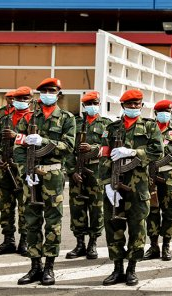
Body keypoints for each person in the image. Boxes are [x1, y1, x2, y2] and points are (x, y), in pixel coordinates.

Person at [14, 78, 76, 286]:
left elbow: (68, 146)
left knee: (53, 221)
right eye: (45, 91)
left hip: (53, 175)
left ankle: (49, 266)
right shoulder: (29, 119)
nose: (48, 93)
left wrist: (44, 141)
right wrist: (25, 171)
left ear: (58, 94)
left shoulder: (67, 118)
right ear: (39, 94)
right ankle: (35, 266)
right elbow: (18, 148)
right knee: (30, 220)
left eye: (52, 90)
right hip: (31, 175)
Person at [99, 89, 163, 286]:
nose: (134, 107)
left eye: (137, 104)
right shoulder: (111, 128)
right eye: (130, 104)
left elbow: (157, 151)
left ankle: (132, 268)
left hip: (138, 186)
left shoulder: (150, 127)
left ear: (142, 106)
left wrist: (134, 151)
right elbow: (103, 156)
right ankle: (117, 268)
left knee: (137, 227)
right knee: (113, 226)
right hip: (115, 184)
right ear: (123, 106)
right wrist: (107, 184)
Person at [65, 91, 112, 261]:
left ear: (99, 104)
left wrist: (92, 149)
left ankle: (93, 243)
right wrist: (72, 171)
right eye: (89, 103)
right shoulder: (75, 123)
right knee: (77, 208)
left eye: (95, 103)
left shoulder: (107, 124)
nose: (92, 106)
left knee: (96, 208)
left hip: (97, 172)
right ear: (84, 106)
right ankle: (79, 244)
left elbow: (108, 148)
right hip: (78, 170)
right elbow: (68, 148)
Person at [143, 99, 172, 261]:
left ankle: (166, 245)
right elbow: (143, 148)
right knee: (152, 210)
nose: (165, 115)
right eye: (162, 112)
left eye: (168, 112)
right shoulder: (148, 129)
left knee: (169, 211)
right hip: (151, 175)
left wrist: (160, 147)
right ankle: (153, 245)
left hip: (169, 176)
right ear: (156, 114)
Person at [0, 88, 32, 256]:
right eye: (17, 98)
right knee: (5, 206)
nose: (20, 101)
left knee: (25, 206)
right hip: (4, 169)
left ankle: (24, 240)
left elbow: (37, 143)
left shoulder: (34, 119)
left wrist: (16, 135)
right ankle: (8, 240)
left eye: (24, 98)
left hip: (23, 169)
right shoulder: (4, 119)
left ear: (30, 100)